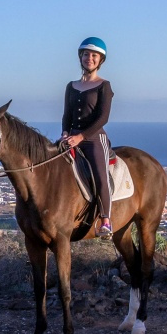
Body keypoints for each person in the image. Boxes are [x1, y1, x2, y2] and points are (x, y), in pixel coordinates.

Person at [60, 37, 115, 238]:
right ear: (80, 57)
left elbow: (103, 118)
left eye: (94, 56)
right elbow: (66, 114)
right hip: (71, 136)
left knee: (100, 175)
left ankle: (105, 220)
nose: (89, 58)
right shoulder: (71, 86)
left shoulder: (104, 86)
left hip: (93, 138)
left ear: (100, 60)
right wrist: (66, 132)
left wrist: (81, 137)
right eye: (85, 54)